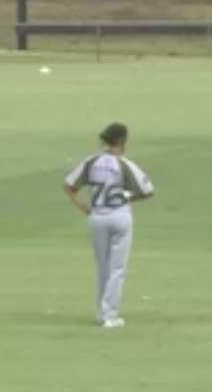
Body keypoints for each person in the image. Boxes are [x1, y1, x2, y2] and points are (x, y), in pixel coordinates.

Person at [62, 123, 156, 328]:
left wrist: (84, 208)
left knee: (103, 266)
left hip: (97, 216)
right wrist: (128, 195)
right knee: (117, 268)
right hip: (119, 216)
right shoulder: (125, 165)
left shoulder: (91, 162)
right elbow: (148, 190)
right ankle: (110, 314)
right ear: (122, 141)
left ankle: (101, 311)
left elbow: (69, 186)